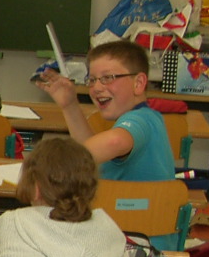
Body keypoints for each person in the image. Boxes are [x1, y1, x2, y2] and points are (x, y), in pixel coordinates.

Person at [34, 38, 173, 182]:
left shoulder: (141, 119)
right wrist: (69, 105)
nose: (97, 88)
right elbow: (91, 153)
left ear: (138, 83)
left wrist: (51, 162)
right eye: (92, 80)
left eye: (108, 77)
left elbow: (115, 141)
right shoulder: (149, 118)